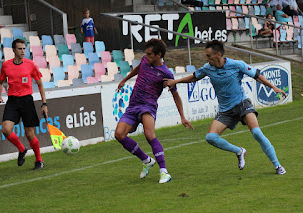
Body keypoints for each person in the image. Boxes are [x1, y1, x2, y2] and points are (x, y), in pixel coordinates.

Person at [164, 40, 287, 175]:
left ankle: (277, 166)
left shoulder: (236, 64)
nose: (207, 58)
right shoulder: (207, 68)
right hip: (225, 110)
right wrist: (176, 81)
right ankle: (239, 151)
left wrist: (274, 87)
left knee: (257, 133)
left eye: (208, 56)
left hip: (242, 104)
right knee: (210, 137)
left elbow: (257, 76)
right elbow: (194, 77)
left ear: (218, 55)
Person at [114, 38, 194, 184]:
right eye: (147, 54)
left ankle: (164, 172)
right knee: (119, 134)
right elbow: (138, 69)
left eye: (150, 54)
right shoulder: (145, 60)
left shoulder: (166, 73)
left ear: (158, 55)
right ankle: (146, 160)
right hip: (133, 105)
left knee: (149, 134)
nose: (147, 56)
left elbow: (175, 95)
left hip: (148, 106)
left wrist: (182, 117)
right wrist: (125, 79)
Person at [0, 39, 48, 170]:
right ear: (13, 50)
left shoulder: (31, 64)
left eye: (24, 48)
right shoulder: (6, 65)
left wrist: (44, 104)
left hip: (26, 101)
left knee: (30, 134)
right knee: (6, 129)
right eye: (20, 49)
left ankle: (39, 160)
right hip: (12, 101)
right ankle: (22, 149)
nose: (23, 51)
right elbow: (0, 82)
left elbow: (40, 85)